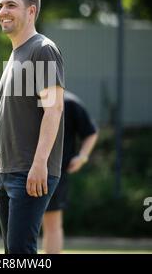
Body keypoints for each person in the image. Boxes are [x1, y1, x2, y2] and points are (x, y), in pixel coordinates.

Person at [0, 0, 65, 254]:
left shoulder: (43, 49)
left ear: (31, 11)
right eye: (0, 5)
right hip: (8, 172)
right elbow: (10, 120)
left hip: (30, 172)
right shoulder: (15, 55)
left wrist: (40, 163)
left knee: (20, 252)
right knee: (13, 253)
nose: (3, 11)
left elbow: (53, 110)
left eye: (11, 5)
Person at [42, 90, 99, 254]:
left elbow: (91, 132)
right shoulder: (27, 100)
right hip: (23, 169)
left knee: (52, 223)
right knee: (21, 224)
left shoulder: (70, 102)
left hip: (55, 172)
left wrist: (82, 156)